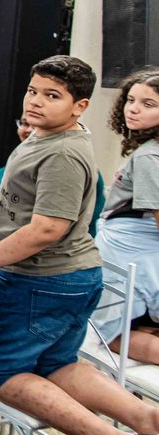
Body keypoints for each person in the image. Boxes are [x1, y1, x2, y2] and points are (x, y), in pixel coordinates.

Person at [0, 56, 159, 435]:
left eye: (52, 95)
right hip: (60, 277)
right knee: (56, 364)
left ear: (79, 106)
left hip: (42, 279)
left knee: (1, 371)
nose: (36, 101)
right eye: (33, 91)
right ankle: (145, 420)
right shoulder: (48, 137)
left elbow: (47, 229)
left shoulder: (62, 153)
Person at [92, 67, 159, 365]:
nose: (133, 109)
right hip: (135, 249)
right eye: (131, 100)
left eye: (148, 104)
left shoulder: (149, 156)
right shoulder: (148, 150)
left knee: (111, 332)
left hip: (131, 251)